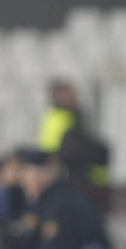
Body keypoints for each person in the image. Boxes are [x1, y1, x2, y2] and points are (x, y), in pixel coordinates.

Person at [37, 79, 111, 209]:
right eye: (70, 93)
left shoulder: (64, 117)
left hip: (71, 176)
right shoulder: (64, 118)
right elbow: (71, 149)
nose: (75, 97)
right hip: (65, 176)